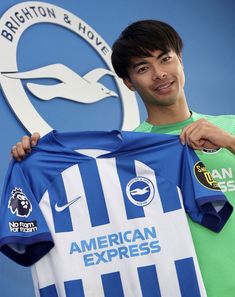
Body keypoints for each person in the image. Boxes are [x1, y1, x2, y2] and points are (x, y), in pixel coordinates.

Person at [10, 20, 235, 297]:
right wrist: (30, 156)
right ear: (129, 82)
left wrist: (230, 142)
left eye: (165, 59)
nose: (159, 74)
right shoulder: (124, 157)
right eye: (143, 68)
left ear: (181, 61)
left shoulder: (230, 126)